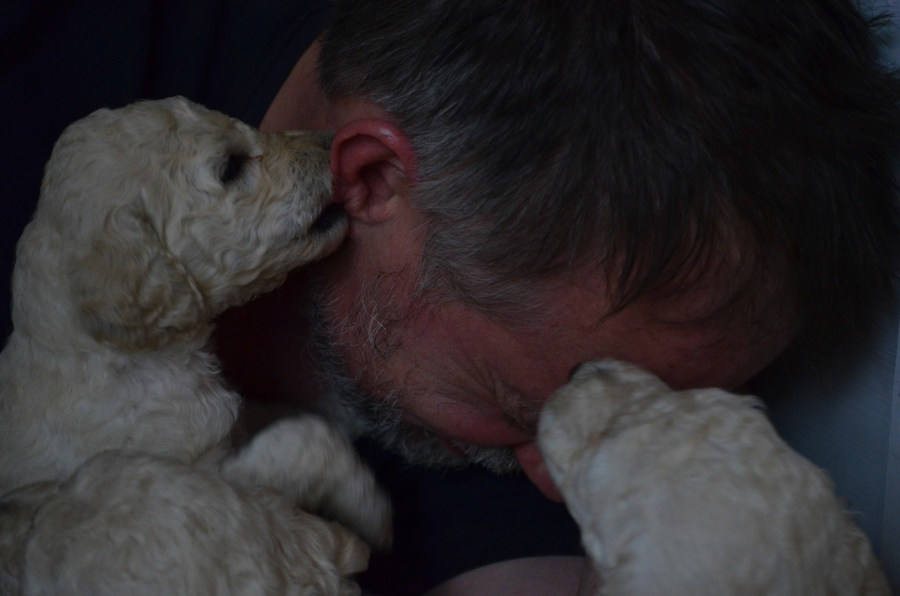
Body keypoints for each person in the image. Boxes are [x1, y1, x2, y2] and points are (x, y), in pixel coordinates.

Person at [2, 0, 899, 594]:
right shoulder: (53, 70)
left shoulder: (525, 376)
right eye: (527, 411)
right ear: (370, 178)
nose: (564, 486)